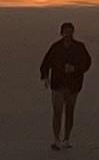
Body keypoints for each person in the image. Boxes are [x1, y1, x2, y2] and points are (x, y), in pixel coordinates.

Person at [37, 19, 91, 147]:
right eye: (66, 32)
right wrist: (45, 77)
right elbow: (46, 62)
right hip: (58, 84)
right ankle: (56, 139)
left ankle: (66, 139)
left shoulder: (79, 47)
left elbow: (87, 63)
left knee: (69, 112)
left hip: (73, 85)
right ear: (61, 33)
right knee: (57, 112)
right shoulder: (55, 47)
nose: (68, 35)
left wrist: (75, 68)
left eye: (70, 32)